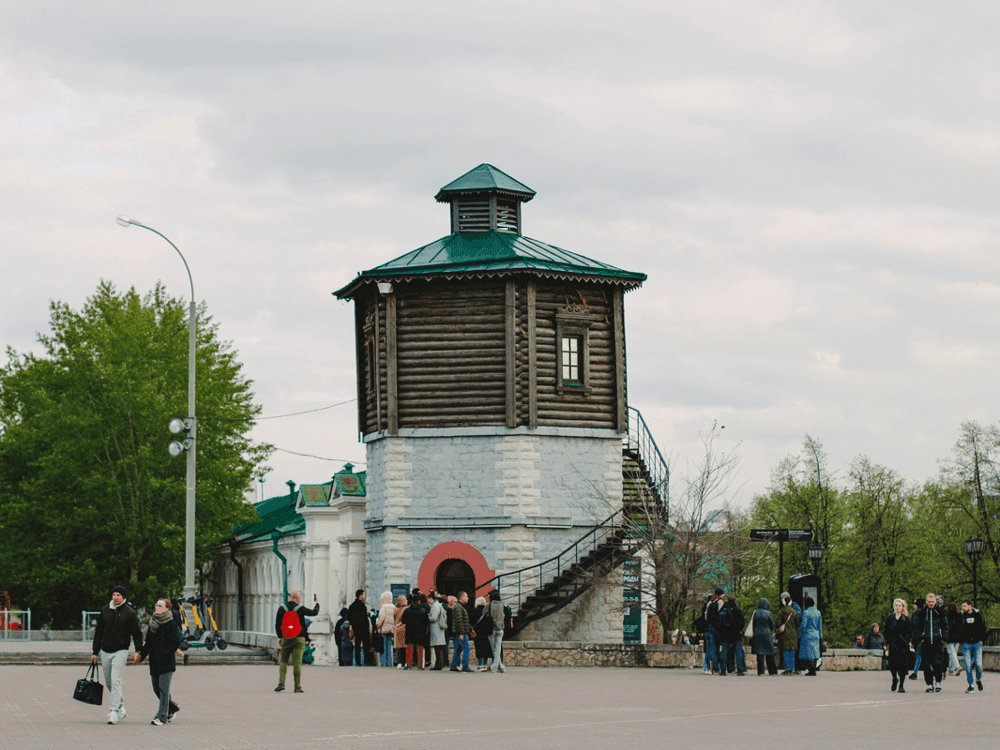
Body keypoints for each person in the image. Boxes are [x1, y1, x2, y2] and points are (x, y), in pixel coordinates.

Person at [91, 585, 143, 725]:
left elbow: (137, 633)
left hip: (120, 650)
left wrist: (138, 650)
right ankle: (120, 706)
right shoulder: (104, 610)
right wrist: (95, 652)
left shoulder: (129, 613)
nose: (116, 597)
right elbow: (99, 632)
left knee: (115, 681)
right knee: (109, 682)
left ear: (123, 597)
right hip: (105, 650)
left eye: (119, 595)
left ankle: (113, 712)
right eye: (114, 595)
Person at [133, 598, 184, 725]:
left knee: (163, 690)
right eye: (156, 605)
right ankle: (172, 708)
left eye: (161, 605)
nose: (157, 607)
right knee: (156, 689)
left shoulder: (171, 624)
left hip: (166, 663)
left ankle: (161, 717)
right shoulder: (153, 624)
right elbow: (148, 644)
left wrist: (165, 654)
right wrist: (140, 655)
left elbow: (174, 643)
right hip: (154, 662)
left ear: (167, 608)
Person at [274, 591, 320, 693]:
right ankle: (297, 687)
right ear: (297, 598)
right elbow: (314, 613)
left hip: (286, 638)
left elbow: (277, 624)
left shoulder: (282, 608)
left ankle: (281, 684)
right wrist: (317, 604)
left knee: (284, 661)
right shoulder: (300, 609)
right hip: (299, 639)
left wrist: (280, 637)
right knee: (297, 663)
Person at [911, 592, 947, 693]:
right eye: (929, 602)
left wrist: (943, 638)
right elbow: (917, 627)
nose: (931, 603)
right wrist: (921, 638)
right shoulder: (922, 613)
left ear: (935, 601)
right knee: (926, 664)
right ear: (926, 602)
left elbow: (945, 626)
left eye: (932, 601)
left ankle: (938, 682)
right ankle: (929, 684)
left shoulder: (940, 612)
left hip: (937, 641)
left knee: (937, 663)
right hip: (926, 642)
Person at [958, 599, 986, 693]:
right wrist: (961, 641)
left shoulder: (978, 614)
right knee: (968, 665)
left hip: (977, 643)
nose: (963, 608)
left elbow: (983, 627)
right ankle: (971, 685)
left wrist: (982, 639)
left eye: (965, 606)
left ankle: (978, 679)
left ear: (970, 606)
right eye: (962, 606)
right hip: (966, 643)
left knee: (978, 664)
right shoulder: (961, 615)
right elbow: (958, 628)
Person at [883, 598, 909, 693]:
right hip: (893, 644)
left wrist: (906, 641)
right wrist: (889, 641)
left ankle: (901, 685)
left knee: (902, 665)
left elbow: (908, 632)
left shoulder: (905, 619)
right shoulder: (890, 618)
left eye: (899, 605)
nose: (898, 607)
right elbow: (886, 631)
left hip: (902, 645)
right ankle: (894, 678)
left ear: (902, 607)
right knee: (893, 665)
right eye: (896, 605)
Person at [716, 597, 743, 676]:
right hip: (735, 634)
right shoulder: (737, 610)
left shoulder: (723, 609)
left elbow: (718, 622)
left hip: (724, 634)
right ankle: (740, 669)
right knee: (738, 652)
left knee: (724, 651)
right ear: (735, 601)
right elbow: (742, 622)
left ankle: (723, 670)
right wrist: (738, 629)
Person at [750, 598, 777, 676]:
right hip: (767, 634)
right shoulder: (768, 613)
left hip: (757, 634)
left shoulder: (755, 613)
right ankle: (772, 671)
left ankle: (761, 671)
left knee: (759, 654)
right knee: (770, 653)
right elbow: (772, 625)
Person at [402, 594, 428, 669]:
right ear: (419, 601)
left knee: (409, 648)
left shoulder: (407, 610)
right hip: (420, 632)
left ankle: (409, 665)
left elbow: (403, 621)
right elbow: (426, 621)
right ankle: (420, 665)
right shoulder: (423, 610)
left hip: (409, 631)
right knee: (419, 648)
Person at [775, 592, 799, 675]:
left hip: (784, 635)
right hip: (793, 635)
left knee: (785, 652)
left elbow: (778, 623)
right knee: (792, 653)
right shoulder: (794, 612)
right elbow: (798, 623)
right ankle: (792, 669)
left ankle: (787, 669)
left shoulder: (781, 612)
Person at [449, 591, 473, 672]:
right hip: (461, 632)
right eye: (466, 596)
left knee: (458, 649)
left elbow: (463, 620)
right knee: (466, 648)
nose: (468, 598)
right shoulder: (459, 607)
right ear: (461, 597)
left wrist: (471, 629)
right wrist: (462, 633)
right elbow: (459, 620)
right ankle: (465, 666)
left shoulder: (458, 607)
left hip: (459, 632)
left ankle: (453, 666)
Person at [799, 596, 823, 676]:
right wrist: (820, 636)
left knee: (809, 654)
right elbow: (820, 626)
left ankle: (811, 670)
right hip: (816, 634)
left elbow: (803, 625)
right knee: (815, 653)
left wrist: (800, 633)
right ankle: (813, 669)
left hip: (808, 634)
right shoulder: (818, 612)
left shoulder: (806, 612)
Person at [348, 589, 371, 667]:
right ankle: (366, 661)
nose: (364, 596)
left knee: (357, 645)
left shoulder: (352, 606)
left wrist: (353, 626)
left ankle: (358, 662)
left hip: (356, 628)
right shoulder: (362, 606)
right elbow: (364, 618)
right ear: (360, 595)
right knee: (365, 645)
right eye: (363, 595)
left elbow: (350, 617)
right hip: (363, 628)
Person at [487, 589, 506, 674]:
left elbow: (485, 615)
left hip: (491, 628)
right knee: (498, 649)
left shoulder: (489, 606)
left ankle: (494, 667)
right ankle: (500, 666)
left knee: (493, 649)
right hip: (500, 628)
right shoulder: (502, 605)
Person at [472, 595, 494, 671]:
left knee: (478, 648)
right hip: (486, 632)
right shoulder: (487, 611)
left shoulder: (474, 611)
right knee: (486, 648)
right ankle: (485, 664)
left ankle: (480, 664)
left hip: (477, 632)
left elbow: (471, 622)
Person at [428, 594, 448, 670]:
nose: (428, 601)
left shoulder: (435, 606)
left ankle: (438, 665)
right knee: (439, 648)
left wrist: (427, 617)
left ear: (431, 599)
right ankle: (439, 664)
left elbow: (433, 618)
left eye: (429, 599)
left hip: (436, 628)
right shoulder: (439, 605)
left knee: (437, 647)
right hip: (439, 629)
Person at [375, 592, 396, 667]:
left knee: (383, 646)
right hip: (392, 629)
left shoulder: (384, 607)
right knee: (389, 646)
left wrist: (378, 626)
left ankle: (383, 663)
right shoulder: (394, 607)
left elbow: (381, 619)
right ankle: (389, 662)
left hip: (384, 629)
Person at [944, 601, 962, 677]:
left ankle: (957, 666)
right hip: (957, 637)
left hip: (950, 637)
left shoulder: (947, 615)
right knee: (954, 653)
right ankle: (951, 669)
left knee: (952, 653)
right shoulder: (959, 615)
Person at [908, 598, 924, 679]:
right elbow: (911, 626)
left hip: (921, 637)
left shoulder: (923, 613)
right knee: (922, 655)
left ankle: (915, 672)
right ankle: (933, 671)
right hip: (915, 637)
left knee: (919, 654)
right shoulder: (914, 614)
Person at [393, 595, 407, 668]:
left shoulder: (395, 609)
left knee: (399, 647)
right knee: (405, 646)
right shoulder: (406, 609)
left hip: (398, 629)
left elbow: (394, 619)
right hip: (405, 628)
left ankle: (399, 662)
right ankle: (405, 662)